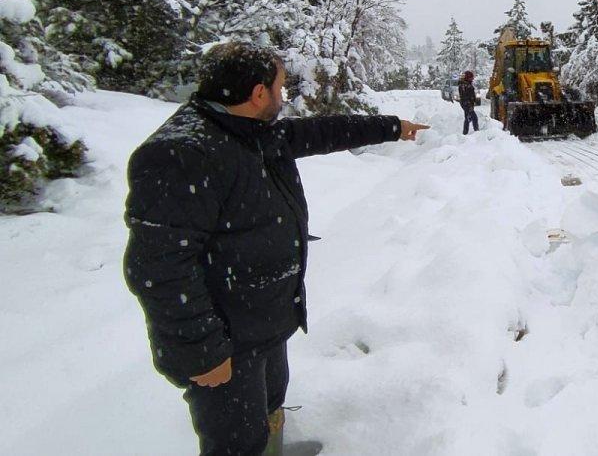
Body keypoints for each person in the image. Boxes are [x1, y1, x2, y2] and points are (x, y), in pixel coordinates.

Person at [123, 42, 428, 456]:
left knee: (269, 409)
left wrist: (392, 127)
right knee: (236, 444)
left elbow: (323, 131)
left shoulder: (252, 132)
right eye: (280, 88)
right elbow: (158, 268)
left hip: (265, 319)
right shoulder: (183, 153)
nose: (284, 97)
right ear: (258, 93)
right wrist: (202, 353)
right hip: (226, 341)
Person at [458, 70, 479, 135]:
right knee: (474, 118)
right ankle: (477, 132)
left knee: (468, 118)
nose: (472, 79)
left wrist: (474, 100)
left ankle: (465, 133)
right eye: (471, 77)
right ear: (467, 77)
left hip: (468, 104)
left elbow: (471, 94)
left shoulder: (467, 84)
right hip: (466, 104)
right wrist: (469, 104)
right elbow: (464, 96)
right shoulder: (463, 85)